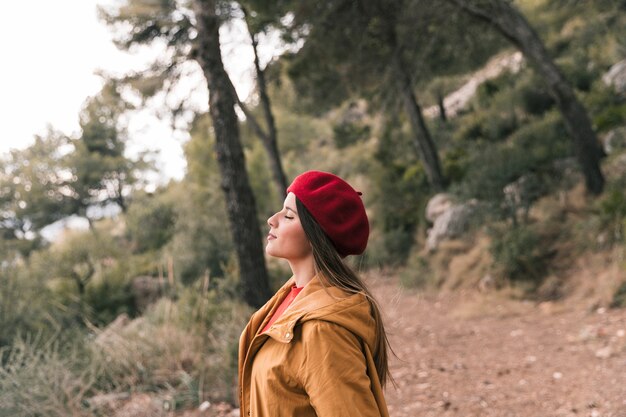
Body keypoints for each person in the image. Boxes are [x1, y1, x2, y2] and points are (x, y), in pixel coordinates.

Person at [238, 170, 393, 417]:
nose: (272, 219)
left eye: (288, 216)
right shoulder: (288, 300)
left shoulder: (323, 329)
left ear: (315, 235)